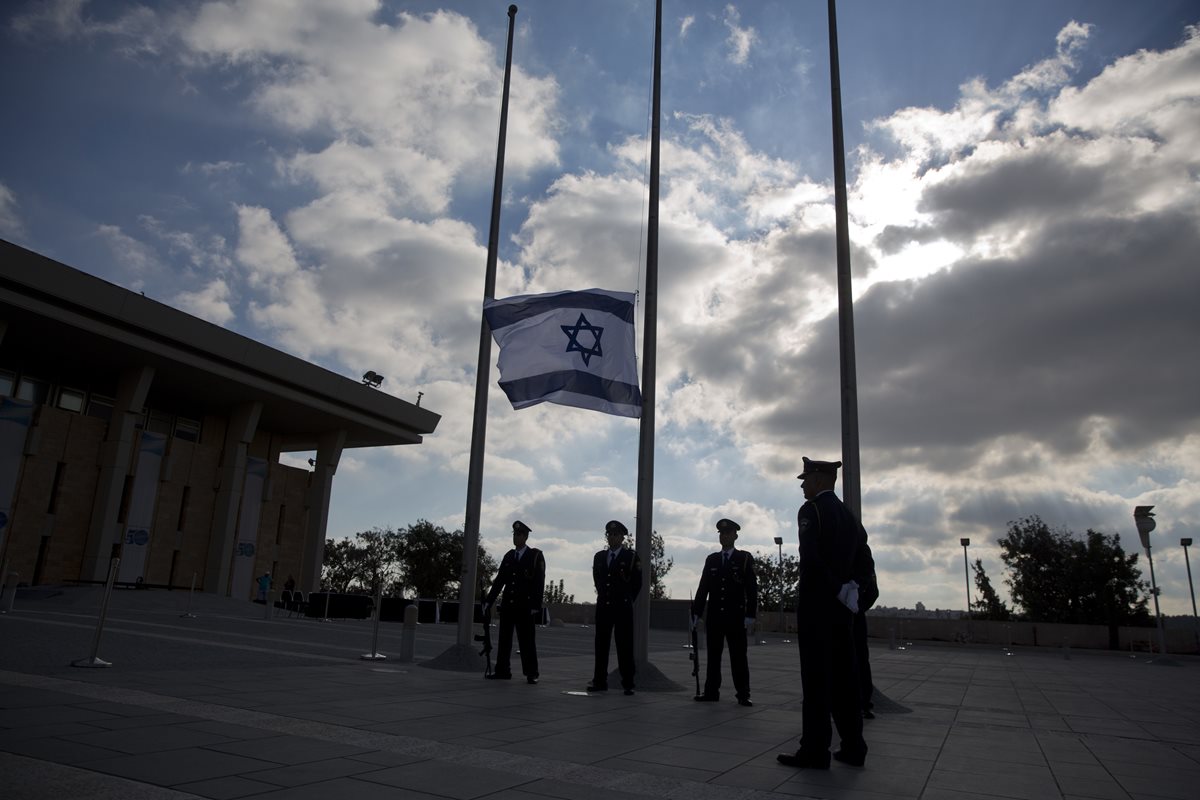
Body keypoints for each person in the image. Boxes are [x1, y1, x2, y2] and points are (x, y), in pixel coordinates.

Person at [777, 457, 868, 770]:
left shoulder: (811, 510)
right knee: (845, 680)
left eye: (806, 479)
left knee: (816, 681)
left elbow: (811, 559)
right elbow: (865, 561)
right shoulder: (849, 516)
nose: (803, 484)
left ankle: (815, 750)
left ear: (819, 480)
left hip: (818, 609)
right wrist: (856, 593)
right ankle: (854, 747)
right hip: (844, 612)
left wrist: (835, 589)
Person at [691, 518, 758, 707]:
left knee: (738, 657)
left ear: (735, 535)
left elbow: (752, 588)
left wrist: (750, 615)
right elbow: (703, 588)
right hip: (715, 617)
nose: (724, 536)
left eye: (727, 533)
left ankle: (743, 694)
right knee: (713, 656)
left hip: (736, 618)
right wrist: (696, 613)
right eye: (721, 533)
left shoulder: (743, 559)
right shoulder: (712, 559)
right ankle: (711, 691)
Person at [483, 520, 546, 684]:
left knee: (527, 641)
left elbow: (539, 582)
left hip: (525, 606)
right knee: (504, 640)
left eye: (519, 535)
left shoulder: (535, 555)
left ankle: (532, 673)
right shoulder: (509, 556)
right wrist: (489, 600)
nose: (516, 538)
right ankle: (502, 670)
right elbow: (500, 581)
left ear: (525, 537)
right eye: (514, 534)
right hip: (508, 605)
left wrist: (535, 605)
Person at [588, 520, 643, 695]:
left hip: (622, 608)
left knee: (624, 645)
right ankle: (599, 680)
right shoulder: (599, 557)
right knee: (601, 645)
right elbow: (597, 580)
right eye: (609, 534)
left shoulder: (631, 557)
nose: (612, 538)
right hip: (604, 606)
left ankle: (628, 682)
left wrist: (626, 600)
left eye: (615, 534)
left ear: (622, 537)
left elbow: (637, 584)